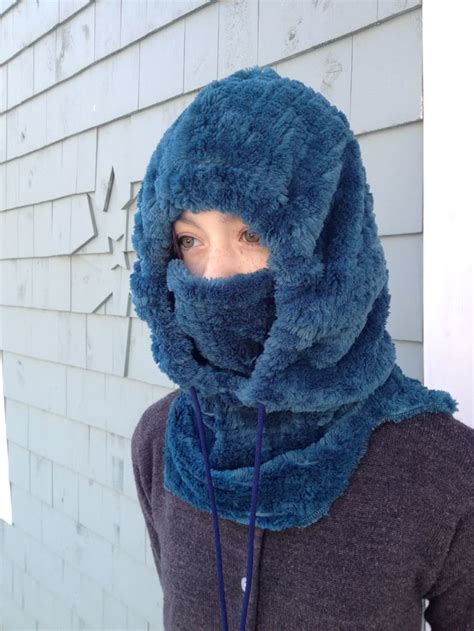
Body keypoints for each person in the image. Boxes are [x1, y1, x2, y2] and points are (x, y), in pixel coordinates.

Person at [129, 66, 474, 630]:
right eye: (190, 239)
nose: (214, 275)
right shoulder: (161, 441)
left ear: (329, 240)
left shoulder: (443, 467)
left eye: (252, 234)